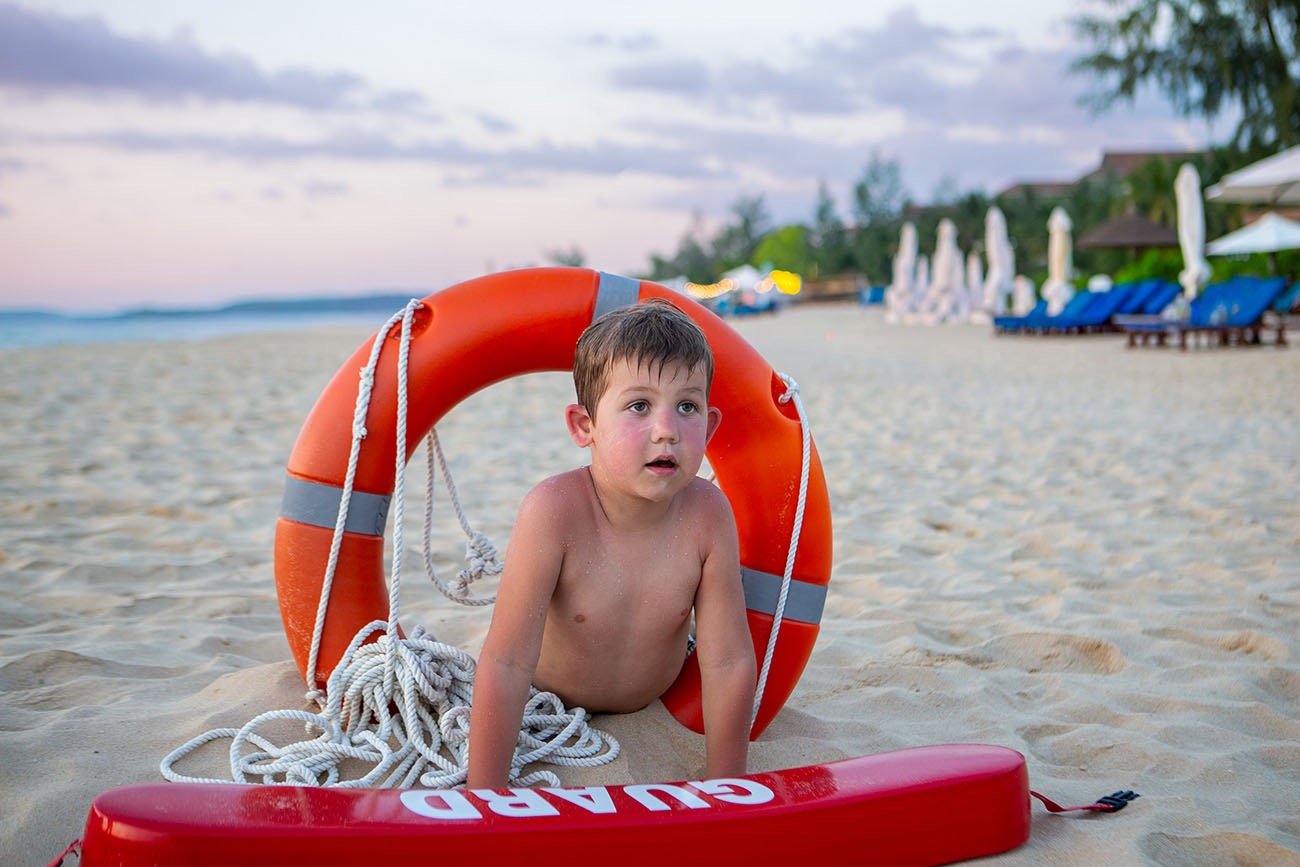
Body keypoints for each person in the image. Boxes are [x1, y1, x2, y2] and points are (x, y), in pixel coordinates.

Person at [467, 298, 756, 788]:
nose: (667, 431)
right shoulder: (554, 511)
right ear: (585, 427)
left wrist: (728, 785)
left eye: (686, 407)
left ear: (709, 427)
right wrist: (485, 793)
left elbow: (727, 659)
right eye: (639, 406)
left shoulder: (708, 515)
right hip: (551, 705)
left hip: (653, 705)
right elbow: (507, 661)